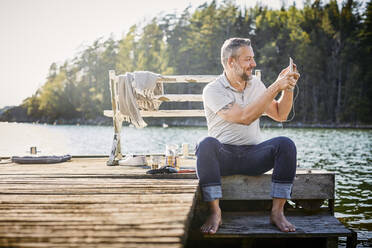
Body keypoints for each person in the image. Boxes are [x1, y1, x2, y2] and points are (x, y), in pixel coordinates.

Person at [196, 37, 300, 234]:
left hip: (253, 156)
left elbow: (281, 114)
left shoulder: (256, 85)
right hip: (222, 158)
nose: (253, 63)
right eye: (248, 59)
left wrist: (288, 88)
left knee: (285, 144)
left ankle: (277, 212)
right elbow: (243, 117)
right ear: (231, 62)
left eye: (253, 58)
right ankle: (215, 212)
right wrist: (275, 86)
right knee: (205, 144)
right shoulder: (213, 90)